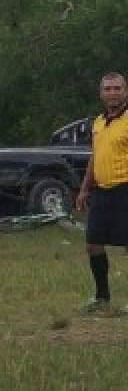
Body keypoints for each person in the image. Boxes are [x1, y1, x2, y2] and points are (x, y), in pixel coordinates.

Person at [77, 72, 128, 314]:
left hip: (125, 189)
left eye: (117, 88)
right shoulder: (98, 122)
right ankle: (102, 297)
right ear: (101, 94)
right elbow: (95, 157)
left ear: (125, 91)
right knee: (93, 243)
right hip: (102, 191)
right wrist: (85, 187)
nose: (113, 93)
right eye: (108, 89)